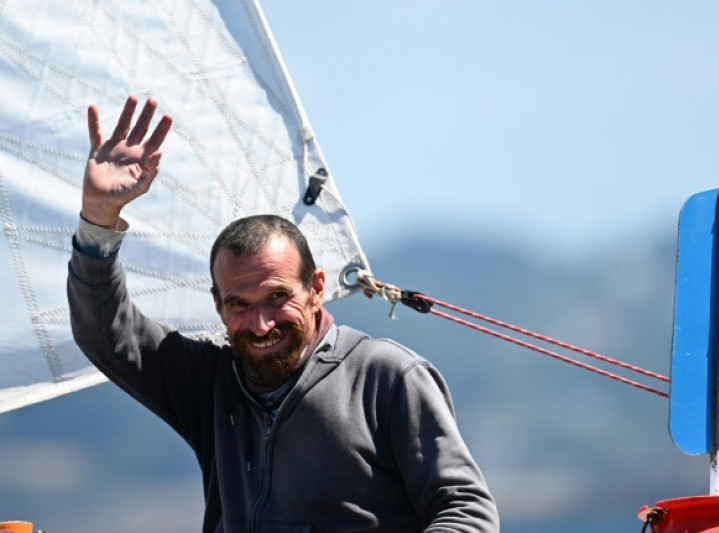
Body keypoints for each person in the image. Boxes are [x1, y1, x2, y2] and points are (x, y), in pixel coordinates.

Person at [67, 95, 499, 533]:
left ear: (316, 289)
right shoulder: (210, 383)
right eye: (239, 304)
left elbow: (467, 513)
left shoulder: (387, 378)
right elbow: (106, 333)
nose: (261, 325)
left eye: (277, 297)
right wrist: (99, 217)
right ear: (217, 305)